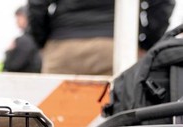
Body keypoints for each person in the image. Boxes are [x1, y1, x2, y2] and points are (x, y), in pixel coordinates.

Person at [28, 0, 175, 75]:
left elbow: (36, 5)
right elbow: (162, 4)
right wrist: (147, 44)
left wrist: (43, 41)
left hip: (64, 48)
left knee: (54, 120)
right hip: (117, 48)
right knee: (118, 119)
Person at [2, 5, 41, 73]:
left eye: (19, 18)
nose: (16, 22)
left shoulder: (24, 40)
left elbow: (13, 66)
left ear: (27, 17)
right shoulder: (37, 37)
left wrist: (9, 51)